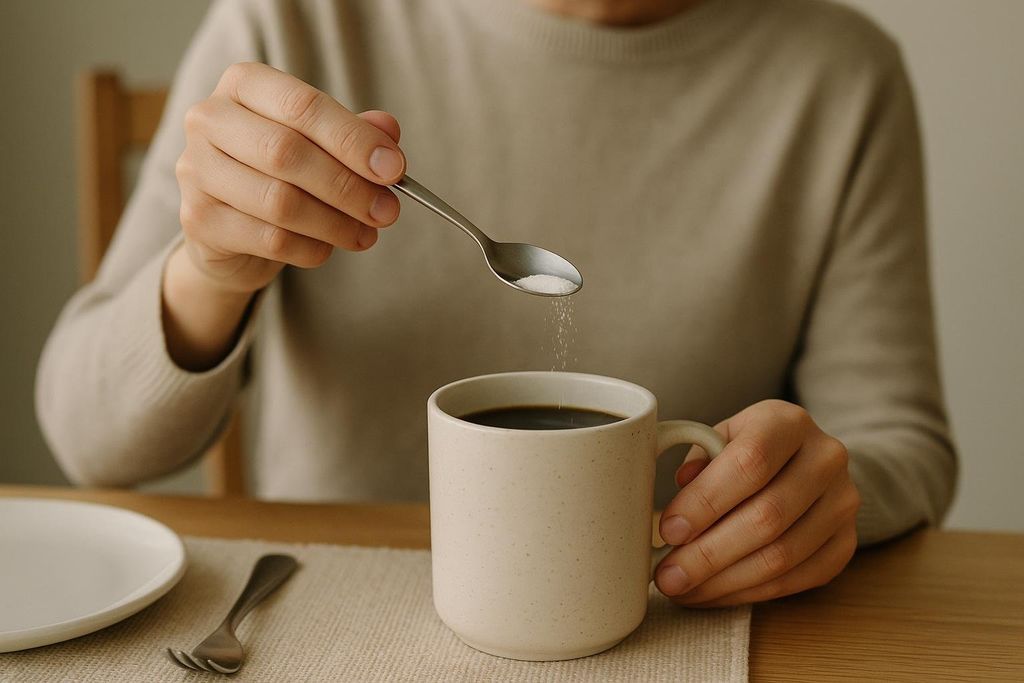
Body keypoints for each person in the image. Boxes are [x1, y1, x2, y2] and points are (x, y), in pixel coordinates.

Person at [36, 0, 956, 607]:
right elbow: (91, 439)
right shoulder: (298, 23)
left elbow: (900, 441)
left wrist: (826, 495)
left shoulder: (841, 75)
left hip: (667, 618)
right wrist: (211, 271)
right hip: (325, 621)